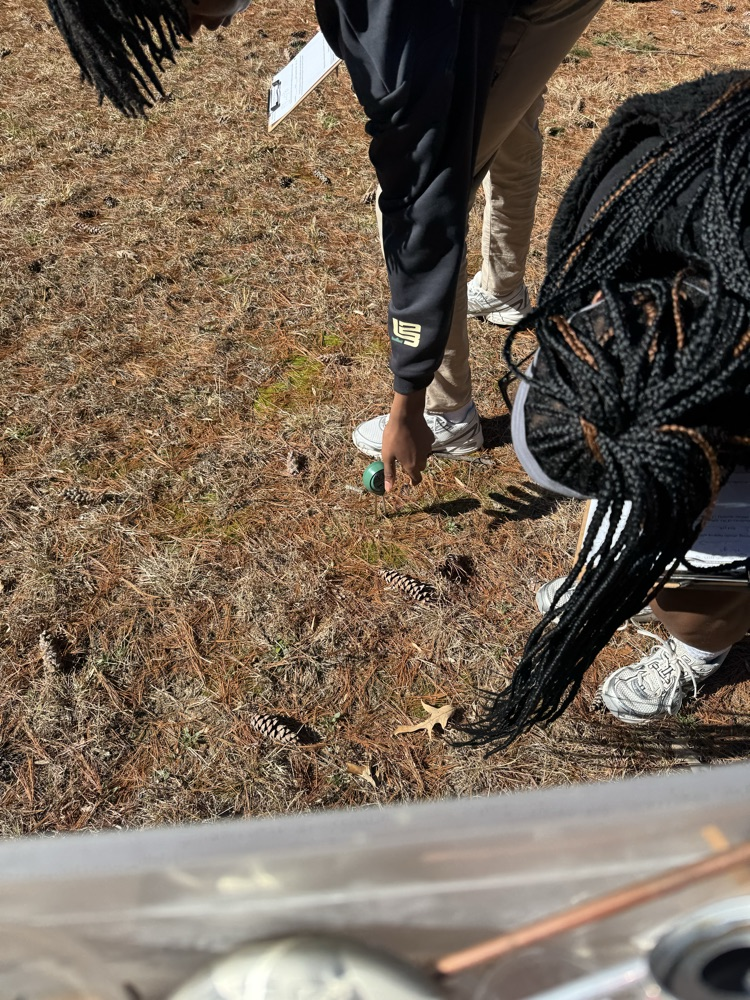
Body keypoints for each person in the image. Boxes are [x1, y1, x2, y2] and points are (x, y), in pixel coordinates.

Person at [46, 0, 605, 493]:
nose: (194, 32)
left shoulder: (395, 22)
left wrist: (407, 397)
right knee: (508, 109)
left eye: (175, 13)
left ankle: (445, 413)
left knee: (450, 160)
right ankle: (502, 287)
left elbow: (423, 198)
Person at [460, 71, 750, 753]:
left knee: (704, 584)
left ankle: (700, 647)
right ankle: (622, 565)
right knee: (639, 525)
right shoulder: (646, 179)